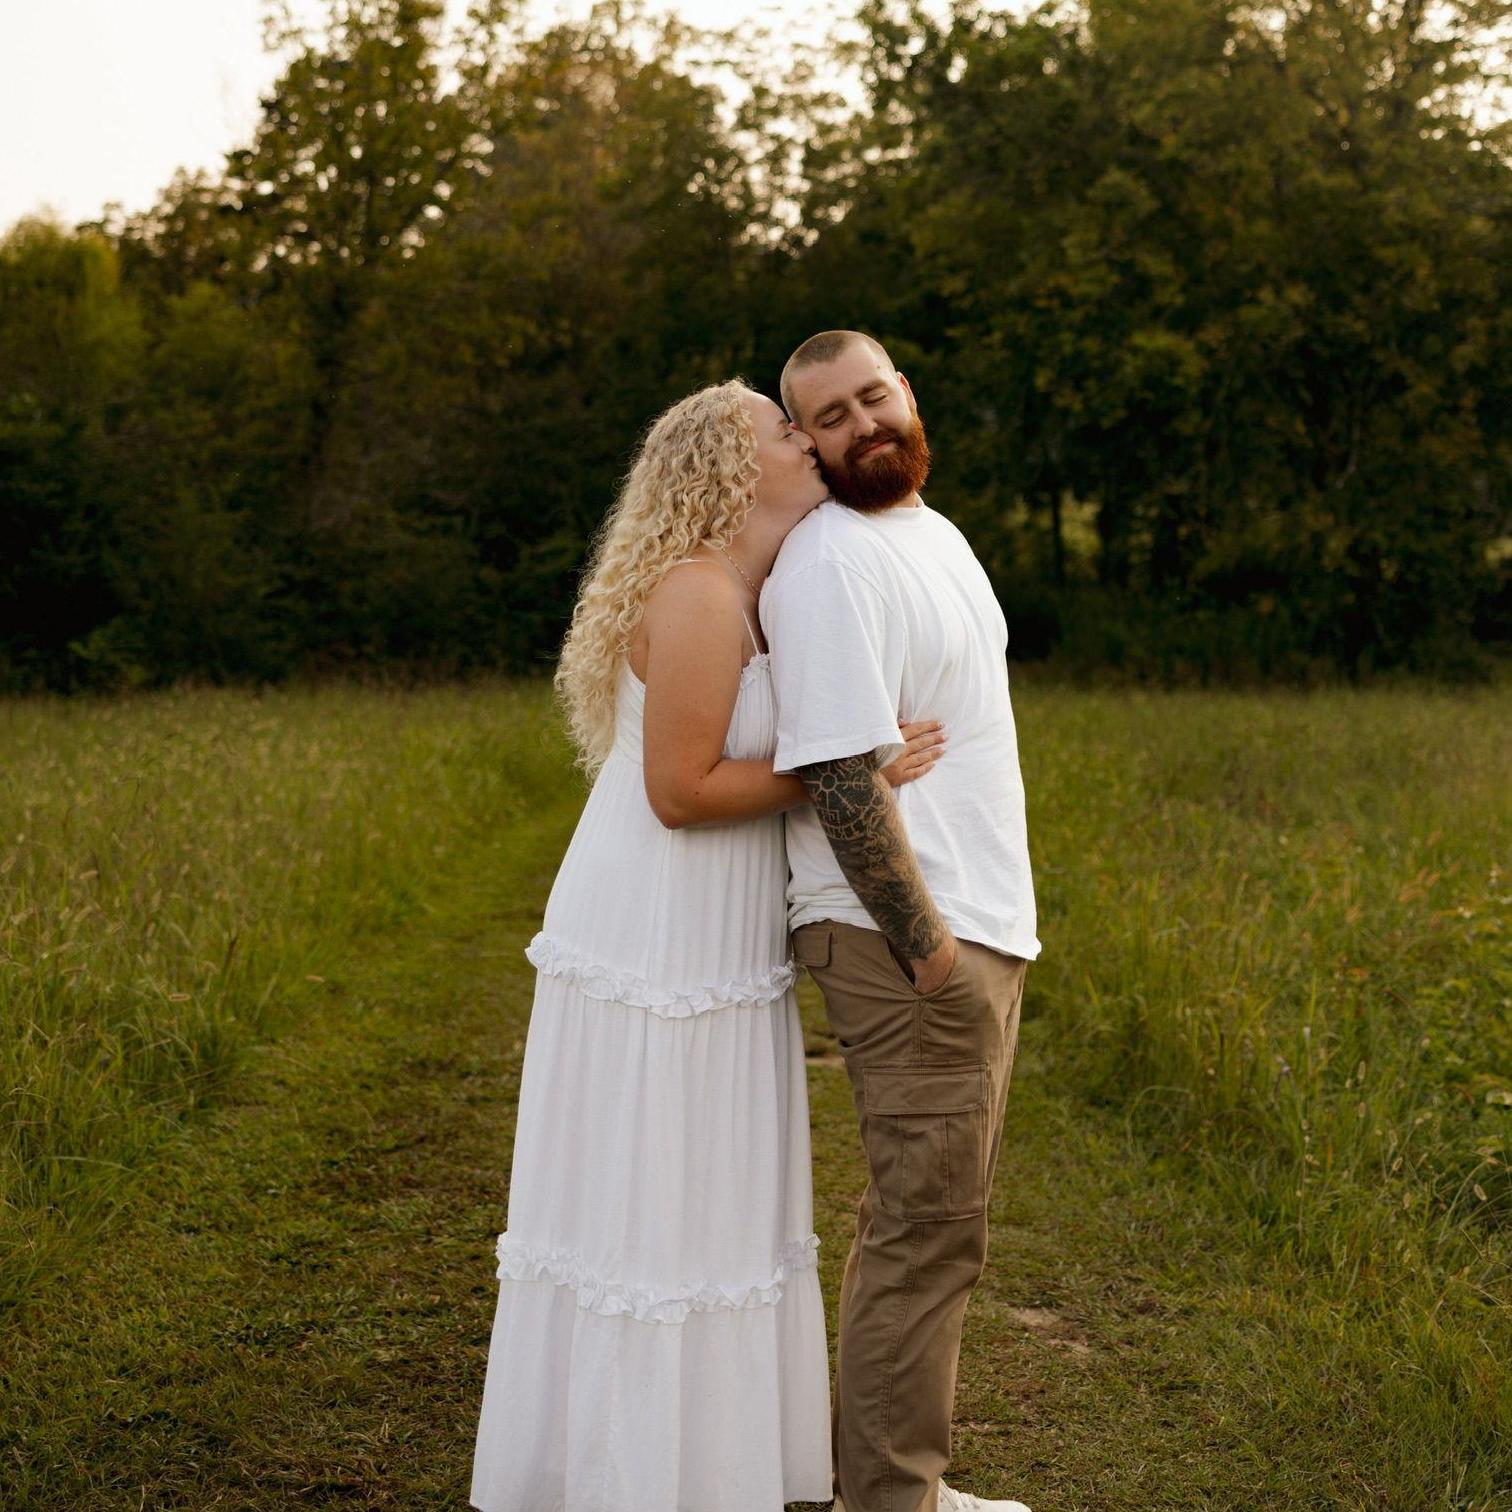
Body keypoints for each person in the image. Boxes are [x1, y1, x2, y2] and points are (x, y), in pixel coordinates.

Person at [469, 378, 947, 1512]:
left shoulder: (754, 590)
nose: (807, 440)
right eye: (785, 429)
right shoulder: (695, 591)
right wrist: (846, 769)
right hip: (658, 922)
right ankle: (627, 1477)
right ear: (731, 471)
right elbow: (680, 791)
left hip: (719, 926)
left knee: (709, 1195)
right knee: (654, 1198)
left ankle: (702, 1468)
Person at [760, 331, 1041, 1512]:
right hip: (905, 941)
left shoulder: (933, 535)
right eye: (830, 416)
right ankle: (887, 1500)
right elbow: (836, 773)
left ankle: (901, 1485)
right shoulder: (831, 562)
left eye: (872, 397)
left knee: (933, 1228)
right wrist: (928, 952)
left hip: (971, 926)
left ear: (907, 394)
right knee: (927, 1234)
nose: (862, 425)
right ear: (806, 441)